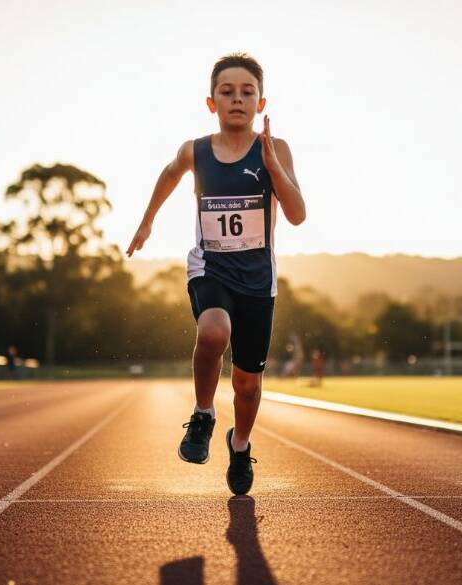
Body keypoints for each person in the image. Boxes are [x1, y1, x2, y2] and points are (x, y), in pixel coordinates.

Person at [127, 53, 306, 495]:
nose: (237, 100)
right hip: (211, 268)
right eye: (227, 92)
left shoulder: (276, 149)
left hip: (258, 281)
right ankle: (204, 414)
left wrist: (273, 165)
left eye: (247, 92)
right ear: (212, 103)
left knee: (247, 384)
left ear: (261, 102)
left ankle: (240, 444)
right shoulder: (198, 150)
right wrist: (148, 219)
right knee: (212, 332)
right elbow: (170, 174)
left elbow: (298, 215)